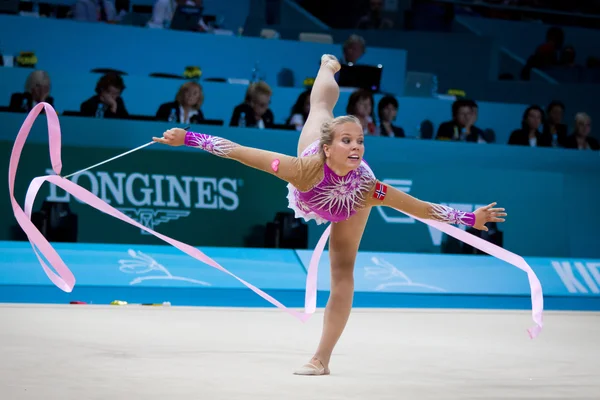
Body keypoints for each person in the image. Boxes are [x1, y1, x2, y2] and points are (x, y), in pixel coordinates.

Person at [152, 54, 507, 376]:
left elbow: (419, 208)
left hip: (351, 203)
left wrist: (469, 219)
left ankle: (321, 358)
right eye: (347, 141)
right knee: (320, 105)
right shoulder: (303, 167)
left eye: (360, 141)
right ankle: (326, 66)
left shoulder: (370, 187)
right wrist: (189, 138)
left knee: (342, 274)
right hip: (316, 180)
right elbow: (242, 152)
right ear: (328, 147)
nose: (356, 146)